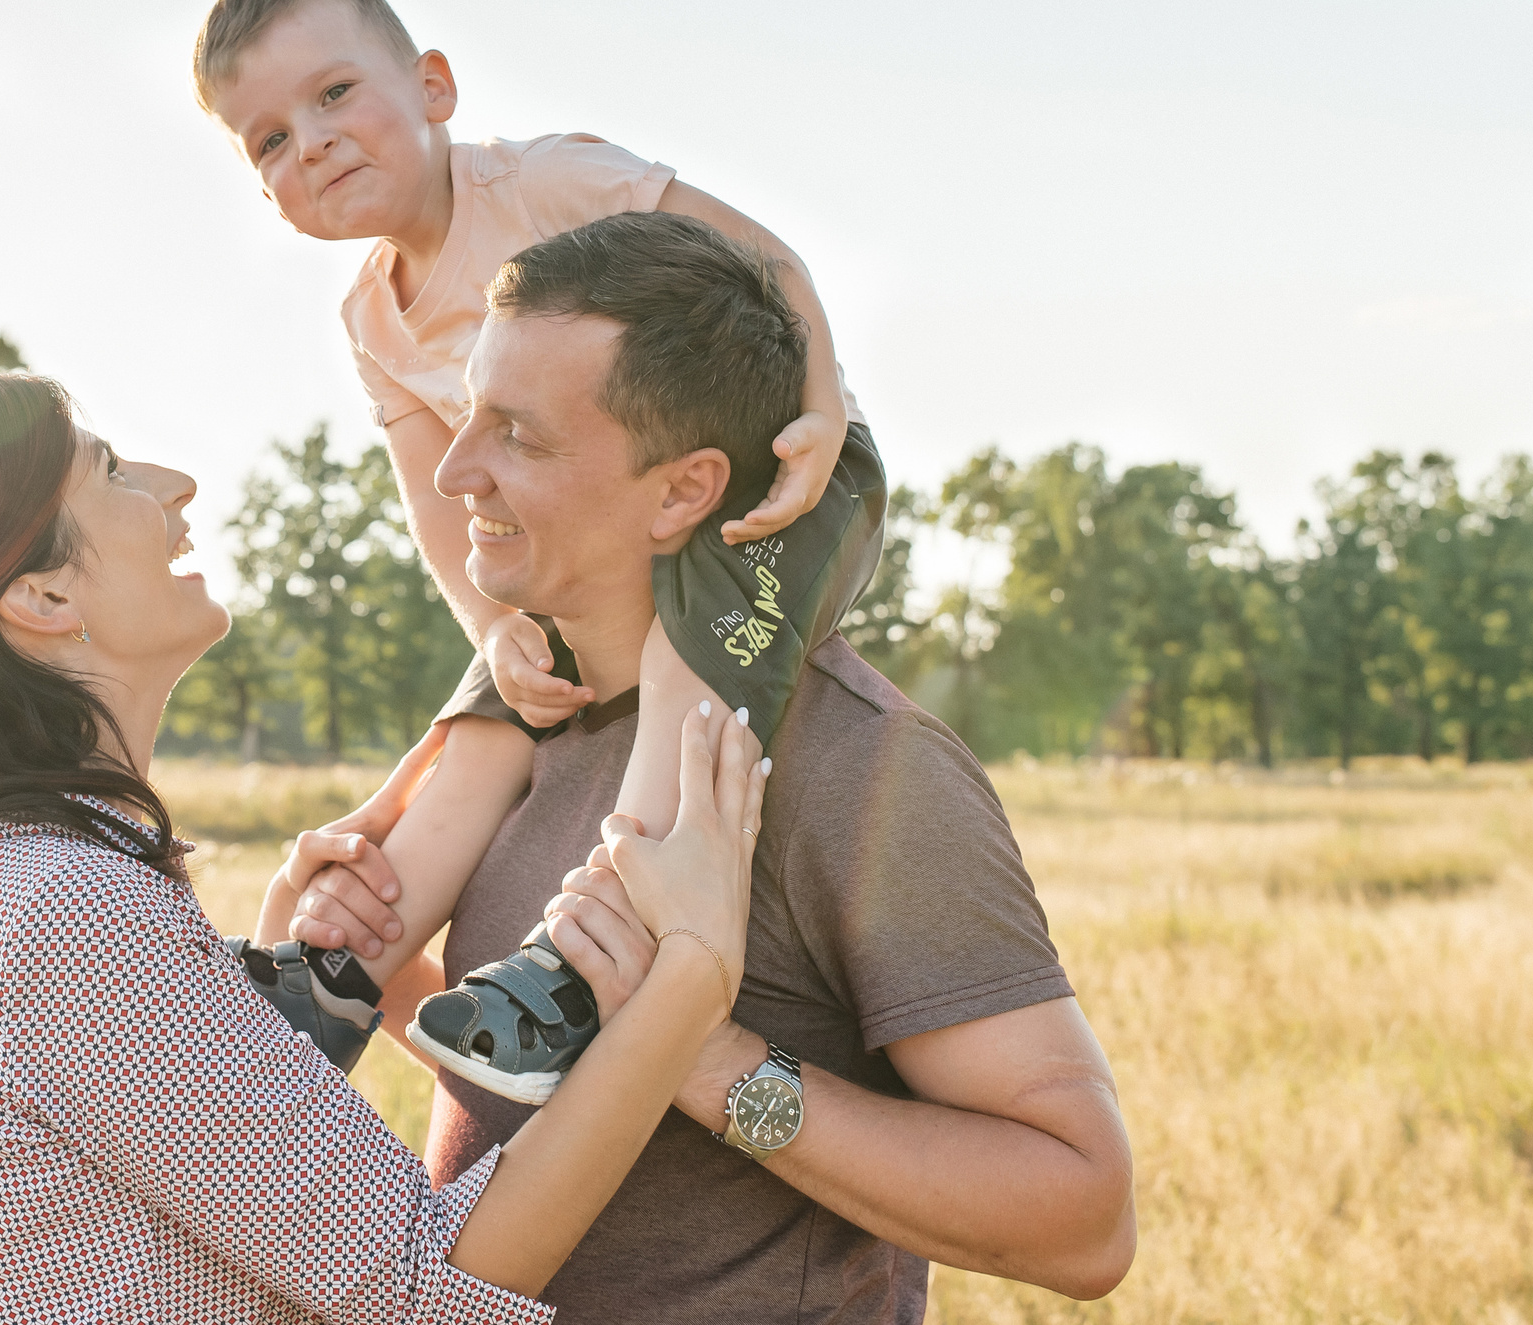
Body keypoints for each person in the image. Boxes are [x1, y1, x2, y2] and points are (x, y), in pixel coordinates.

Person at [282, 214, 1138, 1320]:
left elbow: (1083, 1214)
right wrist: (394, 981)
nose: (453, 471)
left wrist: (699, 1053)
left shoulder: (860, 765)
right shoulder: (527, 729)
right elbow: (537, 1090)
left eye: (518, 435)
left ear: (684, 490)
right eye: (466, 413)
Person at [0, 373, 770, 1324]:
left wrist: (259, 990)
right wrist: (689, 978)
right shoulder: (61, 911)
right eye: (112, 472)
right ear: (44, 596)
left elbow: (166, 1202)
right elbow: (422, 1287)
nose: (176, 484)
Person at [195, 0, 885, 1099]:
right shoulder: (370, 316)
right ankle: (332, 976)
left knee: (689, 654)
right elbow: (438, 493)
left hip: (777, 475)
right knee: (490, 716)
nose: (308, 143)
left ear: (432, 86)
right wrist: (493, 626)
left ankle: (581, 961)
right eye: (267, 139)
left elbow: (771, 261)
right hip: (593, 531)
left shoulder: (546, 184)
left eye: (333, 93)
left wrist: (816, 413)